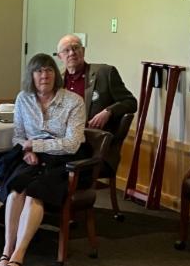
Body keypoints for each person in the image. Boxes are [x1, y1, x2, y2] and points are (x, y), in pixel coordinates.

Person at [0, 53, 86, 266]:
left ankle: (18, 256)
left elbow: (72, 144)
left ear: (56, 74)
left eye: (49, 70)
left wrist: (36, 145)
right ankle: (6, 250)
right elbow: (18, 135)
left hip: (62, 159)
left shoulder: (74, 101)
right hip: (31, 156)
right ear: (31, 76)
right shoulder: (23, 98)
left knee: (35, 193)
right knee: (16, 190)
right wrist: (27, 151)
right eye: (39, 71)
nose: (44, 75)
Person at [55, 34, 136, 173]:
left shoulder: (104, 73)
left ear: (83, 50)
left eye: (75, 48)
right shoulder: (57, 81)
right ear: (59, 56)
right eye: (66, 50)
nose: (72, 53)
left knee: (50, 166)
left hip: (94, 148)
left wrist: (108, 111)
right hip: (64, 143)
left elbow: (131, 102)